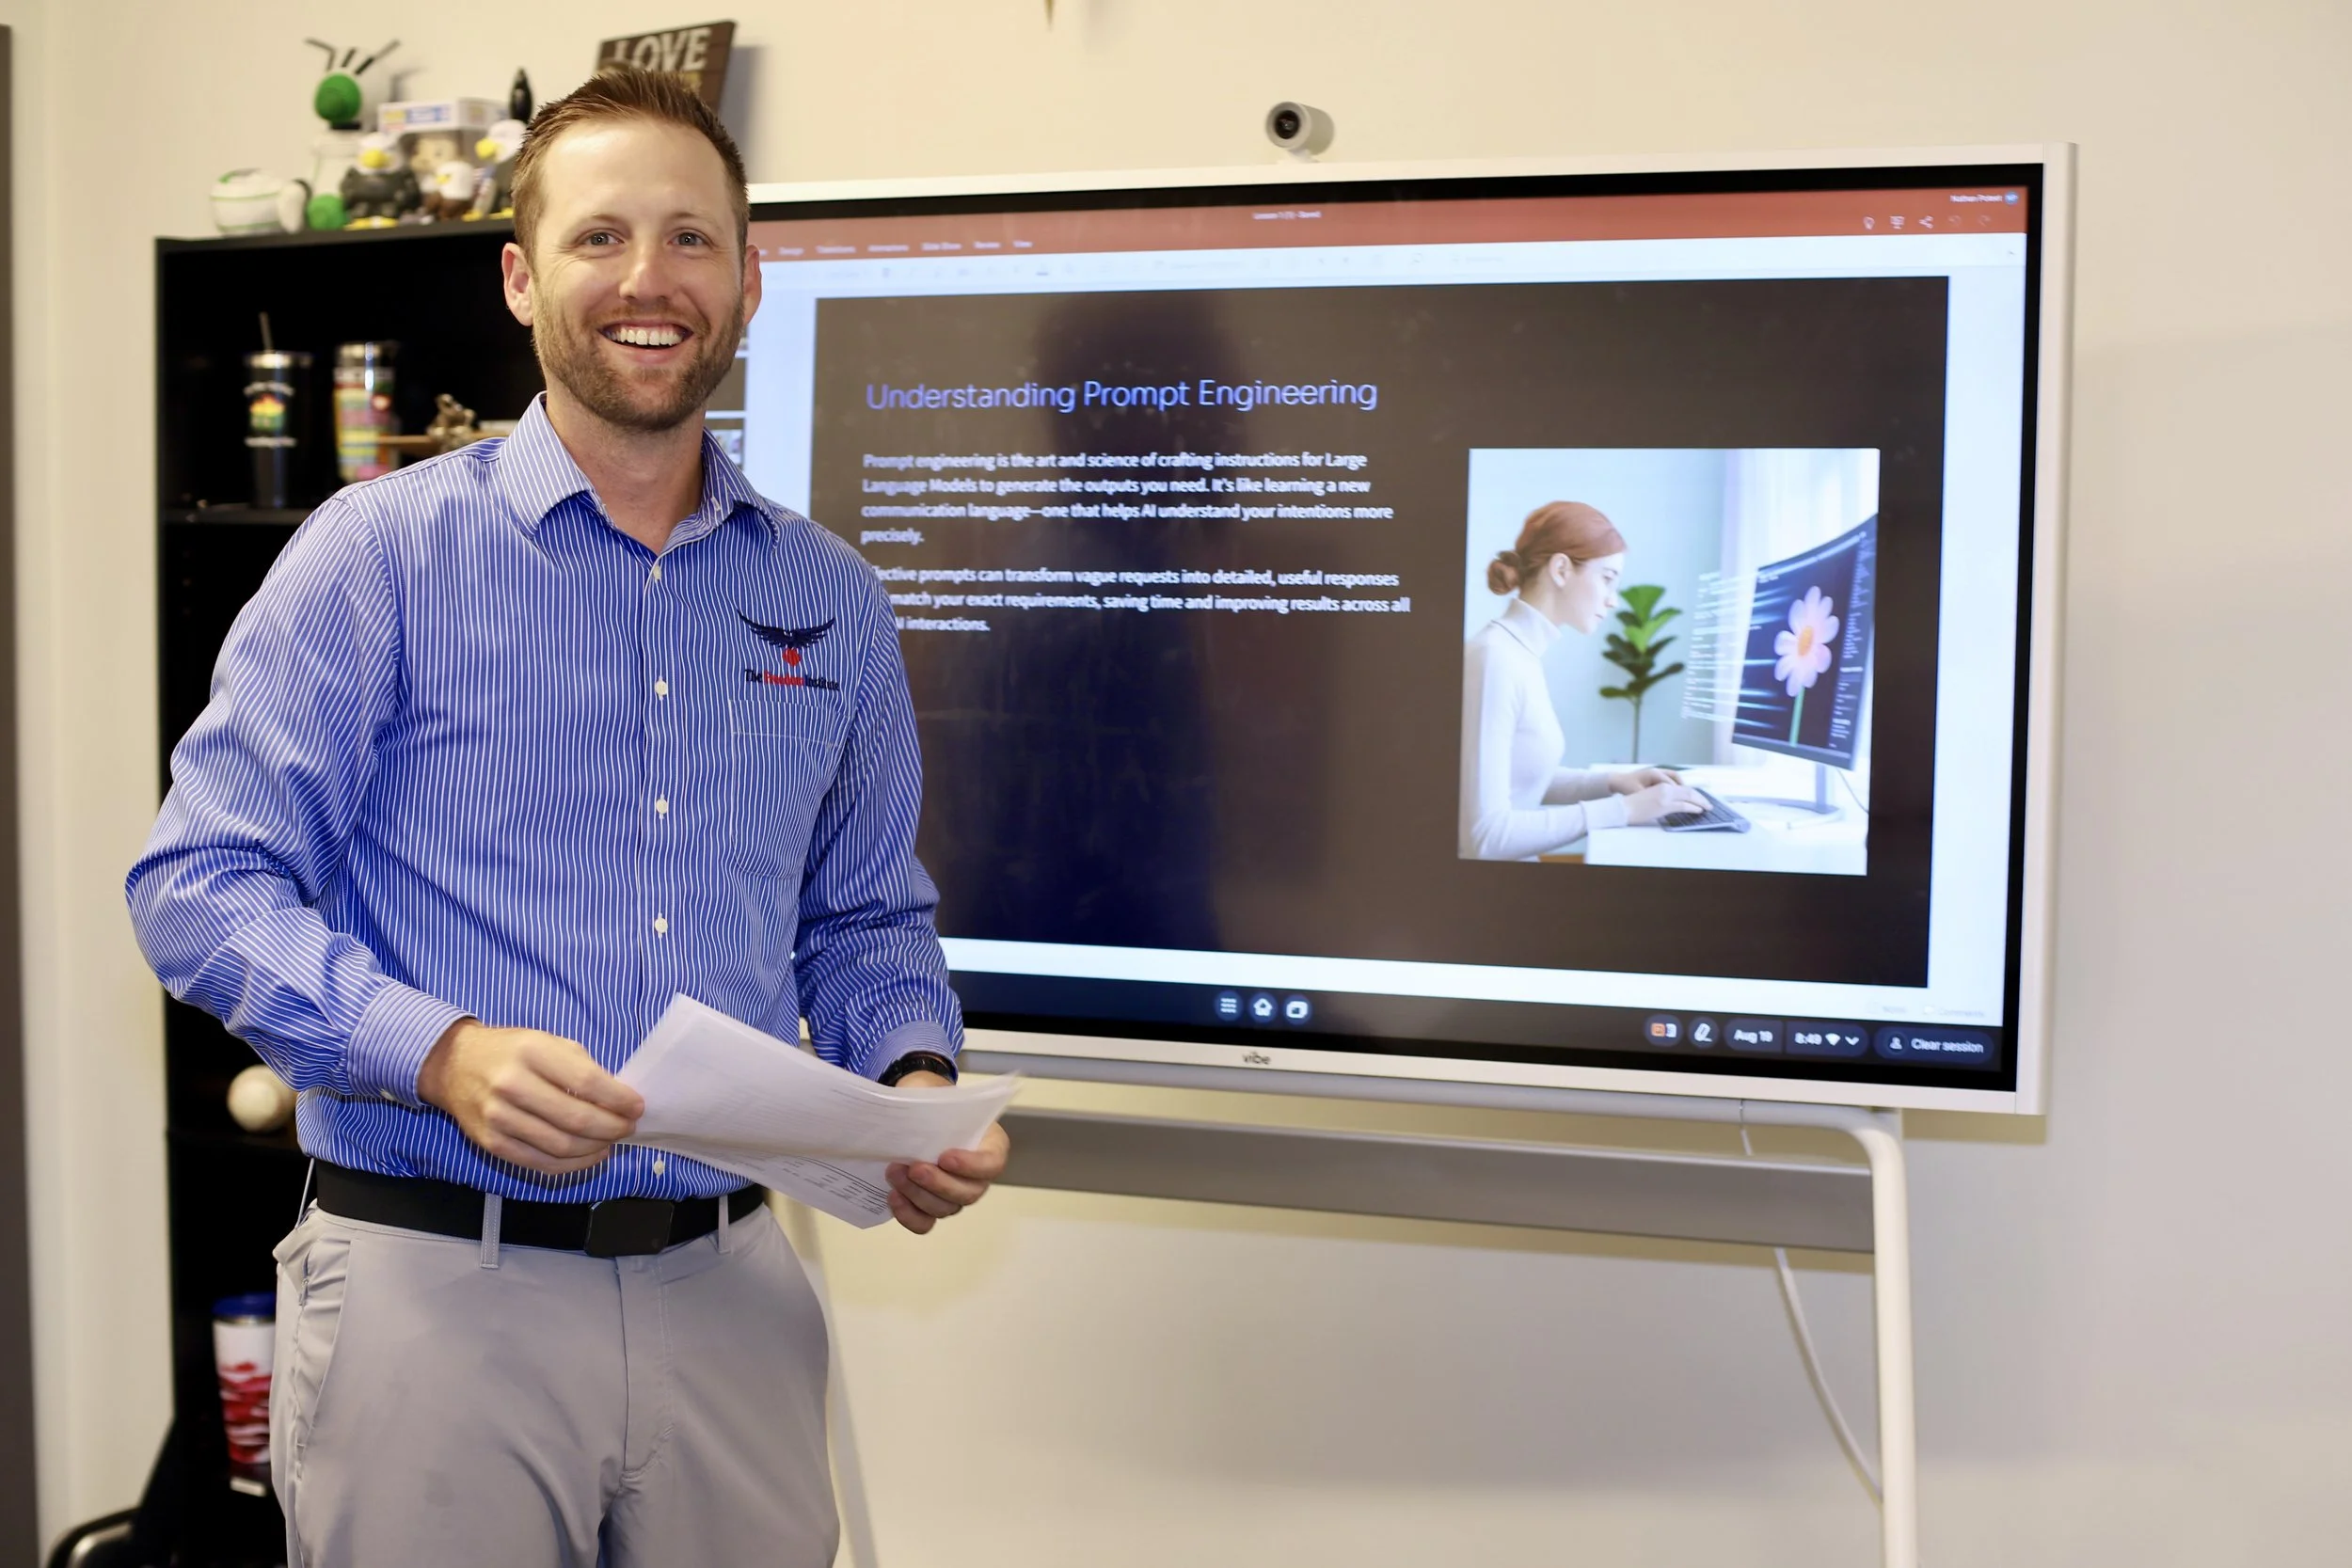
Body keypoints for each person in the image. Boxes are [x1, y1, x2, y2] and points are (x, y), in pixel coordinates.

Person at [125, 66, 1001, 1567]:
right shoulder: (376, 558)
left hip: (732, 1288)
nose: (648, 282)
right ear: (523, 278)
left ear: (749, 281)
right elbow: (198, 883)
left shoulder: (829, 598)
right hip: (431, 1290)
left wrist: (909, 1078)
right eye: (600, 239)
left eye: (692, 239)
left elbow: (863, 918)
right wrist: (439, 1050)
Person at [1460, 499, 1705, 860]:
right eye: (1607, 578)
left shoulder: (1516, 654)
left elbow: (1519, 777)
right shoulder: (1495, 659)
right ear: (1561, 569)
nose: (1614, 600)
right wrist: (1624, 811)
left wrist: (1610, 784)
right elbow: (1485, 837)